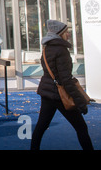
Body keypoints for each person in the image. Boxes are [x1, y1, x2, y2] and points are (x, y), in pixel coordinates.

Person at [31, 20, 93, 150]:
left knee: (41, 126)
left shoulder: (46, 48)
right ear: (59, 34)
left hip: (46, 92)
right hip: (59, 94)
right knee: (81, 127)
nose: (69, 34)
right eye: (66, 32)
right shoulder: (62, 51)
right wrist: (81, 103)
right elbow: (66, 80)